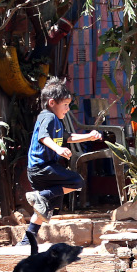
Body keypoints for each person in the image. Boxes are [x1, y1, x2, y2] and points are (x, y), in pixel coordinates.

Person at [20, 77, 102, 253]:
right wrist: (58, 149)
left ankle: (27, 240)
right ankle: (42, 195)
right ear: (52, 102)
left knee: (46, 208)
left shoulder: (56, 120)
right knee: (77, 182)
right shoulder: (47, 117)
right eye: (65, 104)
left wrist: (89, 136)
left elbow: (68, 137)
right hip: (41, 167)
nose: (67, 108)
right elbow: (44, 137)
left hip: (42, 168)